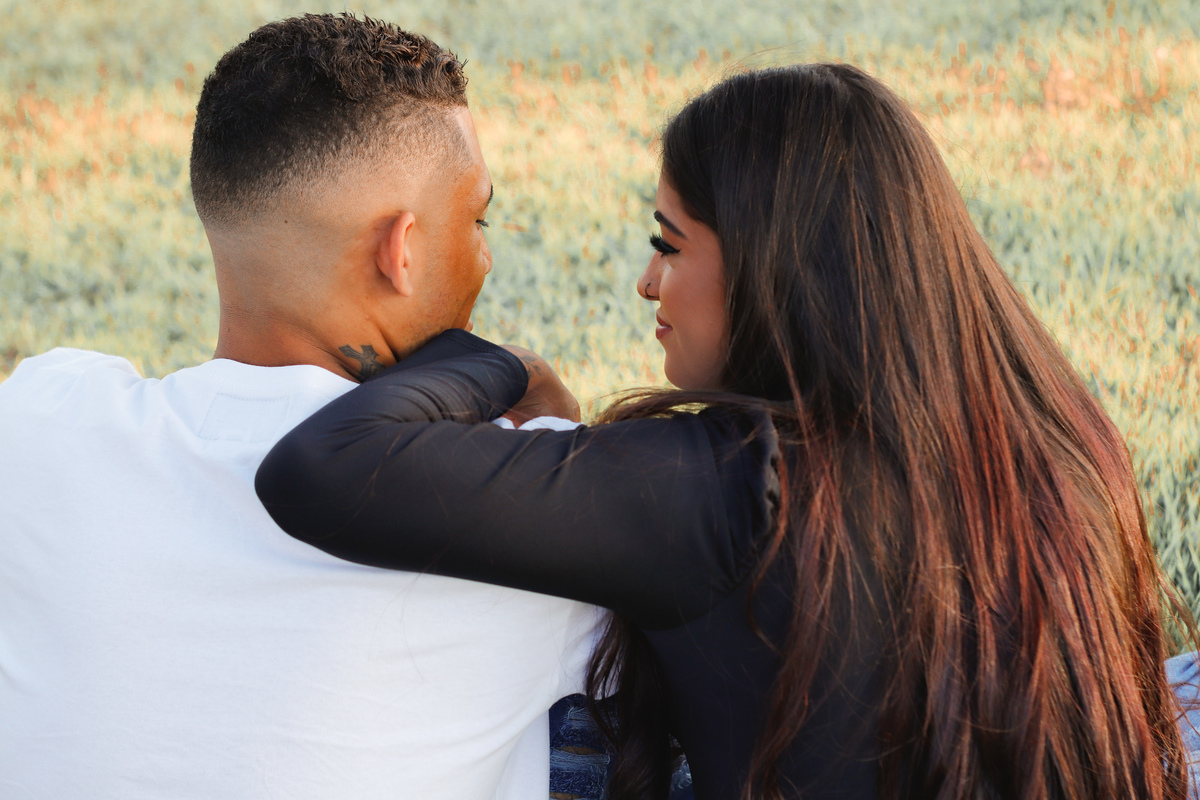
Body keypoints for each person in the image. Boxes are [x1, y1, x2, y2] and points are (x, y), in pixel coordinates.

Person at [257, 63, 1200, 799]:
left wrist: (510, 365)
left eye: (667, 244)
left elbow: (327, 466)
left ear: (773, 265)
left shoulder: (730, 487)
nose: (647, 283)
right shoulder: (1051, 440)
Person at [0, 13, 603, 799]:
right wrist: (548, 407)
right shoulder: (518, 498)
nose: (485, 254)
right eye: (478, 220)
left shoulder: (39, 418)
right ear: (401, 252)